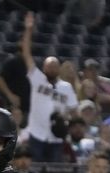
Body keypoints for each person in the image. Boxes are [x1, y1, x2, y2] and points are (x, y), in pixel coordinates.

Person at [21, 11, 78, 162]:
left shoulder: (66, 87)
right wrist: (28, 30)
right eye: (49, 66)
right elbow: (26, 54)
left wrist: (65, 118)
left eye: (54, 66)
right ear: (44, 68)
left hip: (56, 137)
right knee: (35, 172)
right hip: (37, 134)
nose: (51, 69)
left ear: (59, 69)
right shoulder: (37, 79)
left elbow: (74, 110)